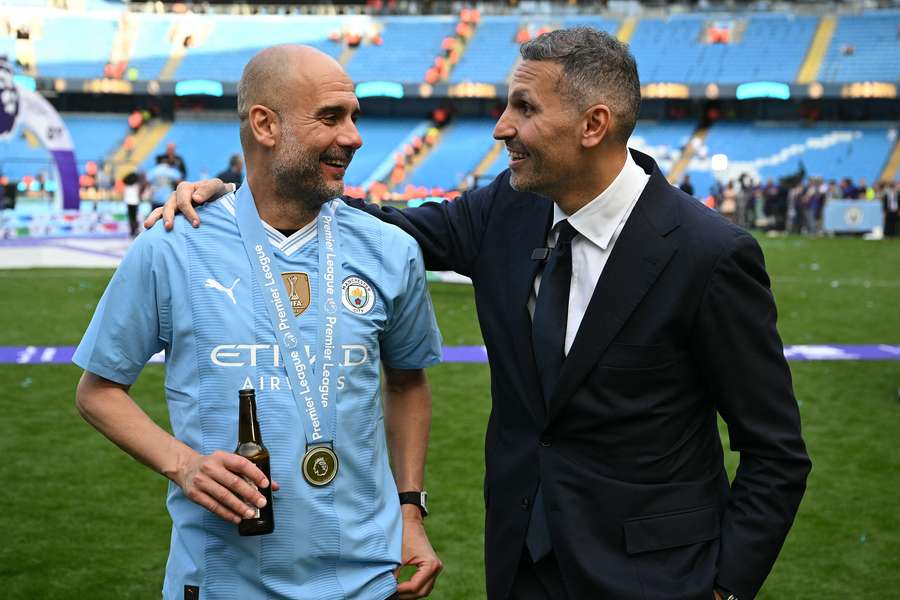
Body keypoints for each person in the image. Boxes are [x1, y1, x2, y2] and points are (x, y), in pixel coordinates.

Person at [153, 28, 810, 600]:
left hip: (656, 579)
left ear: (594, 125)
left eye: (524, 107)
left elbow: (775, 451)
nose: (501, 126)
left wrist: (725, 589)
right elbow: (389, 226)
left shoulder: (709, 254)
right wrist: (249, 194)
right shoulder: (510, 208)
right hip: (522, 566)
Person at [76, 45, 443, 600]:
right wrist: (184, 465)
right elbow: (98, 390)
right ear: (265, 125)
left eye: (354, 117)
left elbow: (408, 381)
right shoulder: (172, 245)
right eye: (330, 117)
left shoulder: (390, 250)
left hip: (370, 581)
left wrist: (410, 510)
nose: (354, 137)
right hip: (223, 580)